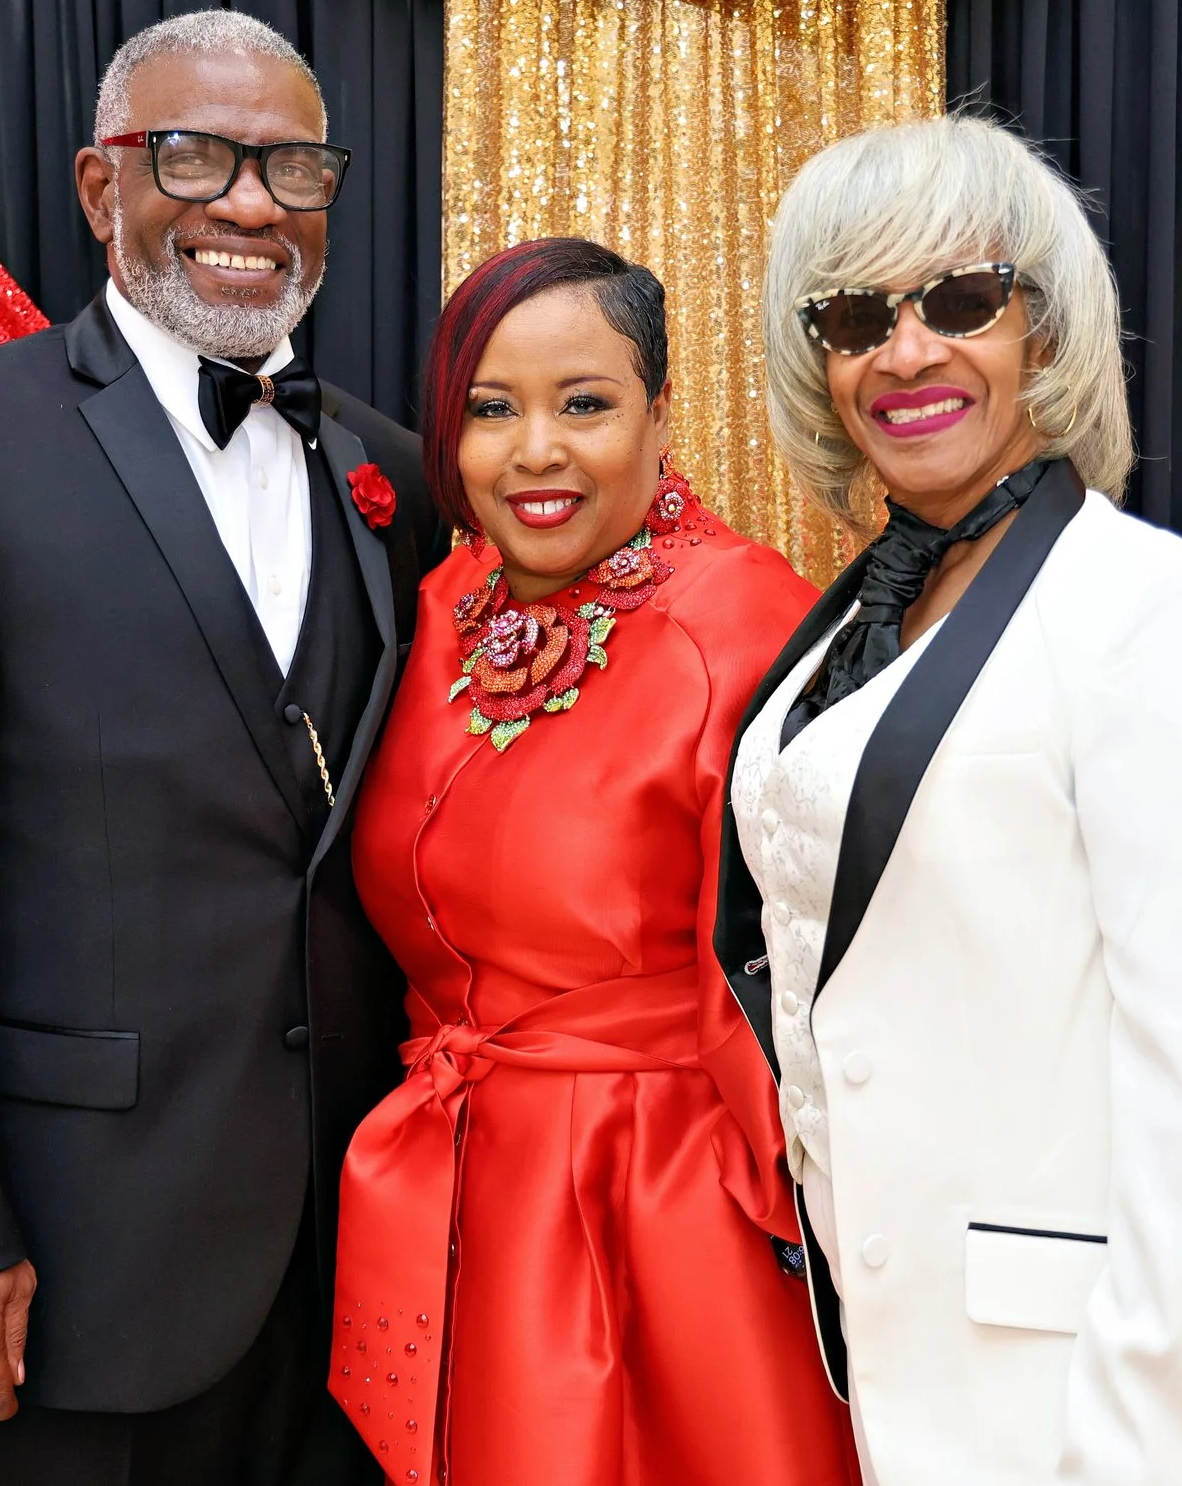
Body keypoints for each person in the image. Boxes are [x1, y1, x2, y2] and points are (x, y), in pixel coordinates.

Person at [0, 9, 445, 1485]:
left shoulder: (388, 469)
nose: (252, 203)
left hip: (361, 1272)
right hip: (75, 1270)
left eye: (293, 166)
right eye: (196, 155)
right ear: (101, 189)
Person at [715, 115, 1182, 1486]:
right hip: (906, 1366)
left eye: (960, 300)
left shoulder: (1148, 606)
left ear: (1046, 334)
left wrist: (1133, 1444)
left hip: (1096, 1396)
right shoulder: (852, 621)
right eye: (853, 315)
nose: (907, 350)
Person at [326, 238, 859, 1486]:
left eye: (586, 405)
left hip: (675, 1210)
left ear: (661, 414)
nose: (536, 452)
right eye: (490, 410)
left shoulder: (750, 624)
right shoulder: (451, 599)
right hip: (465, 1185)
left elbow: (823, 975)